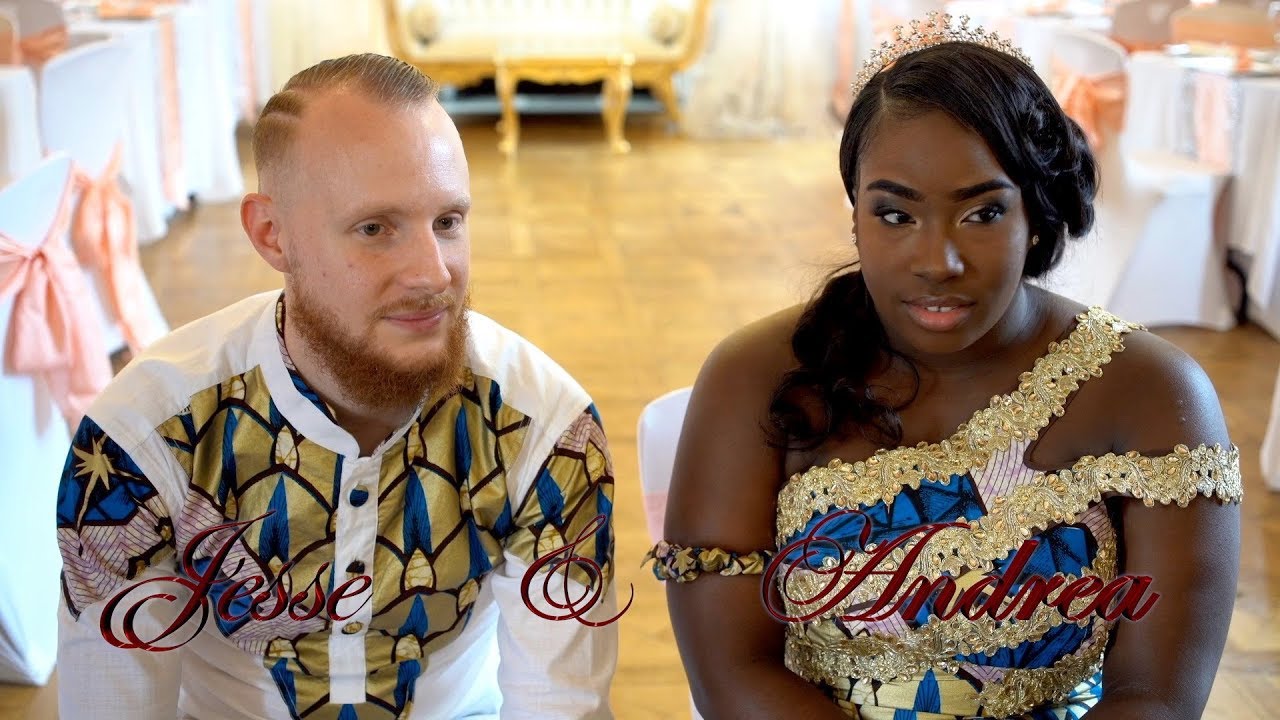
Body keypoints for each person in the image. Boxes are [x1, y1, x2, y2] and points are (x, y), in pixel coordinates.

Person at [647, 14, 1242, 720]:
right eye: (896, 215)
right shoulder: (755, 377)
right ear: (856, 216)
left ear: (1036, 215)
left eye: (982, 214)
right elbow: (734, 673)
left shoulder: (1149, 393)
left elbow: (1158, 698)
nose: (938, 262)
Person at [56, 54, 618, 720]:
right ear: (272, 234)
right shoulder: (143, 440)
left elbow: (560, 706)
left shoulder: (547, 429)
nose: (432, 273)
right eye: (375, 229)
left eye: (447, 222)